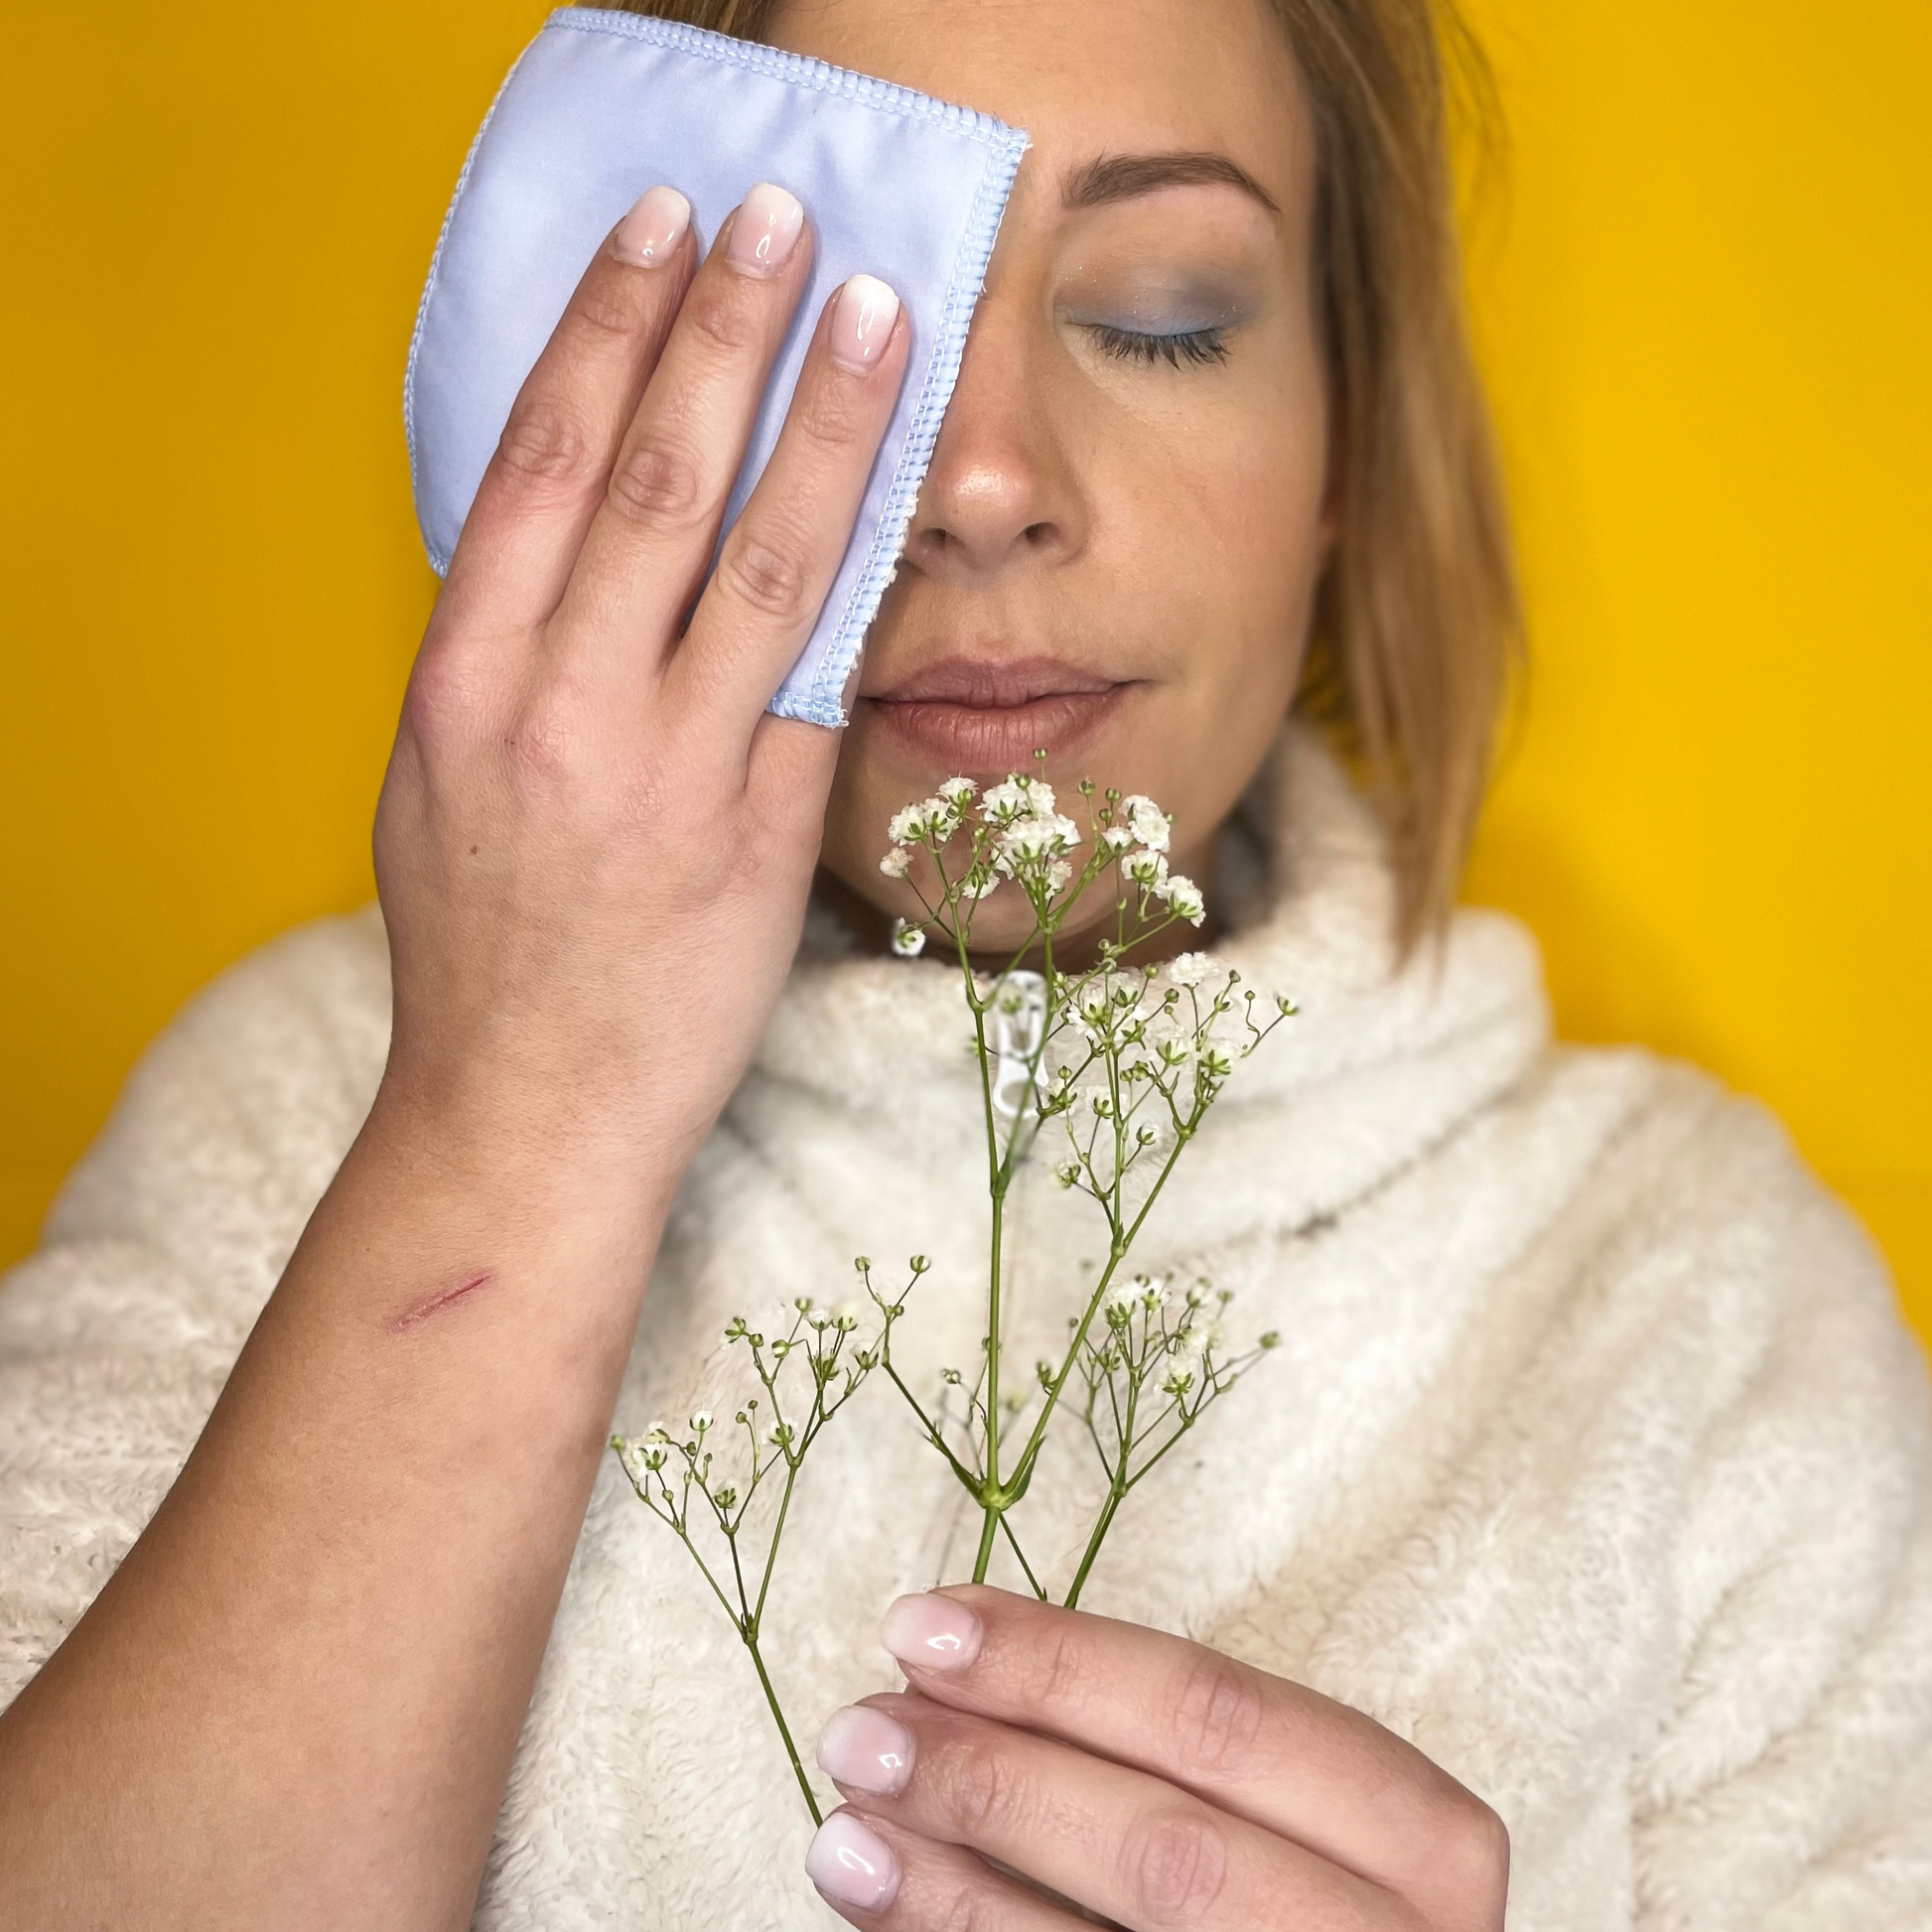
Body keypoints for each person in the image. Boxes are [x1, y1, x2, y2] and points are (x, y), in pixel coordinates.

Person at [2, 0, 1928, 1924]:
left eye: (1163, 310)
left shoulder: (1699, 1296)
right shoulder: (305, 1115)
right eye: (860, 308)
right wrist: (511, 1118)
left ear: (1344, 434)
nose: (985, 477)